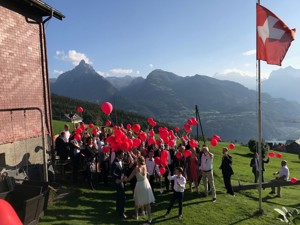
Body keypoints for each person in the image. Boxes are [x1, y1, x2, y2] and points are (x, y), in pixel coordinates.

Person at [125, 156, 155, 224]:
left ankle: (136, 215)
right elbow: (147, 175)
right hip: (146, 183)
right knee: (147, 203)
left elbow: (129, 178)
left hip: (140, 185)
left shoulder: (136, 169)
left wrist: (123, 180)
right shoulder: (145, 166)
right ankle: (149, 218)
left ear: (138, 161)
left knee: (137, 200)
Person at [111, 150, 127, 219]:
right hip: (119, 182)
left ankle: (118, 210)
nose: (123, 155)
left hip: (122, 181)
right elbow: (113, 173)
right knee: (122, 197)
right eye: (122, 154)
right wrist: (119, 177)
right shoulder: (115, 163)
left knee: (119, 196)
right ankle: (121, 212)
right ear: (119, 155)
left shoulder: (121, 161)